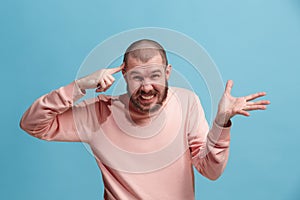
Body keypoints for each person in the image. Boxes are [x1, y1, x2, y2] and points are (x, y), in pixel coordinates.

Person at [20, 39, 270, 200]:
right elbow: (32, 124)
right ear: (124, 75)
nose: (147, 86)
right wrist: (79, 86)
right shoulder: (98, 112)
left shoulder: (187, 103)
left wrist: (222, 123)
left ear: (168, 73)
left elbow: (211, 171)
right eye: (137, 77)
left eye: (155, 75)